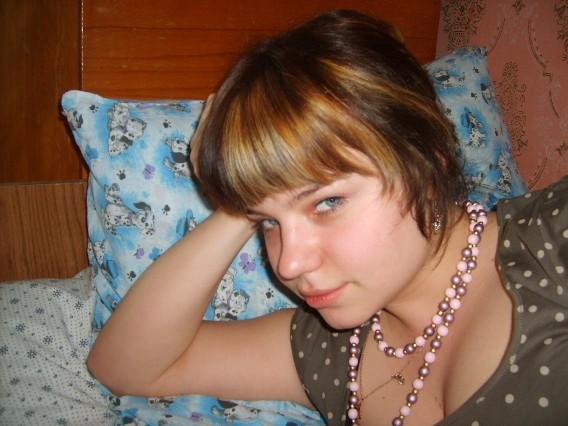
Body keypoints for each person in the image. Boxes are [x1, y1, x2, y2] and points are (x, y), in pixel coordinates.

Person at [87, 9, 568, 426]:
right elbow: (125, 366)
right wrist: (242, 201)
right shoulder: (337, 352)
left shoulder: (552, 244)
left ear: (426, 163)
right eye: (268, 223)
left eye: (327, 202)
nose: (288, 264)